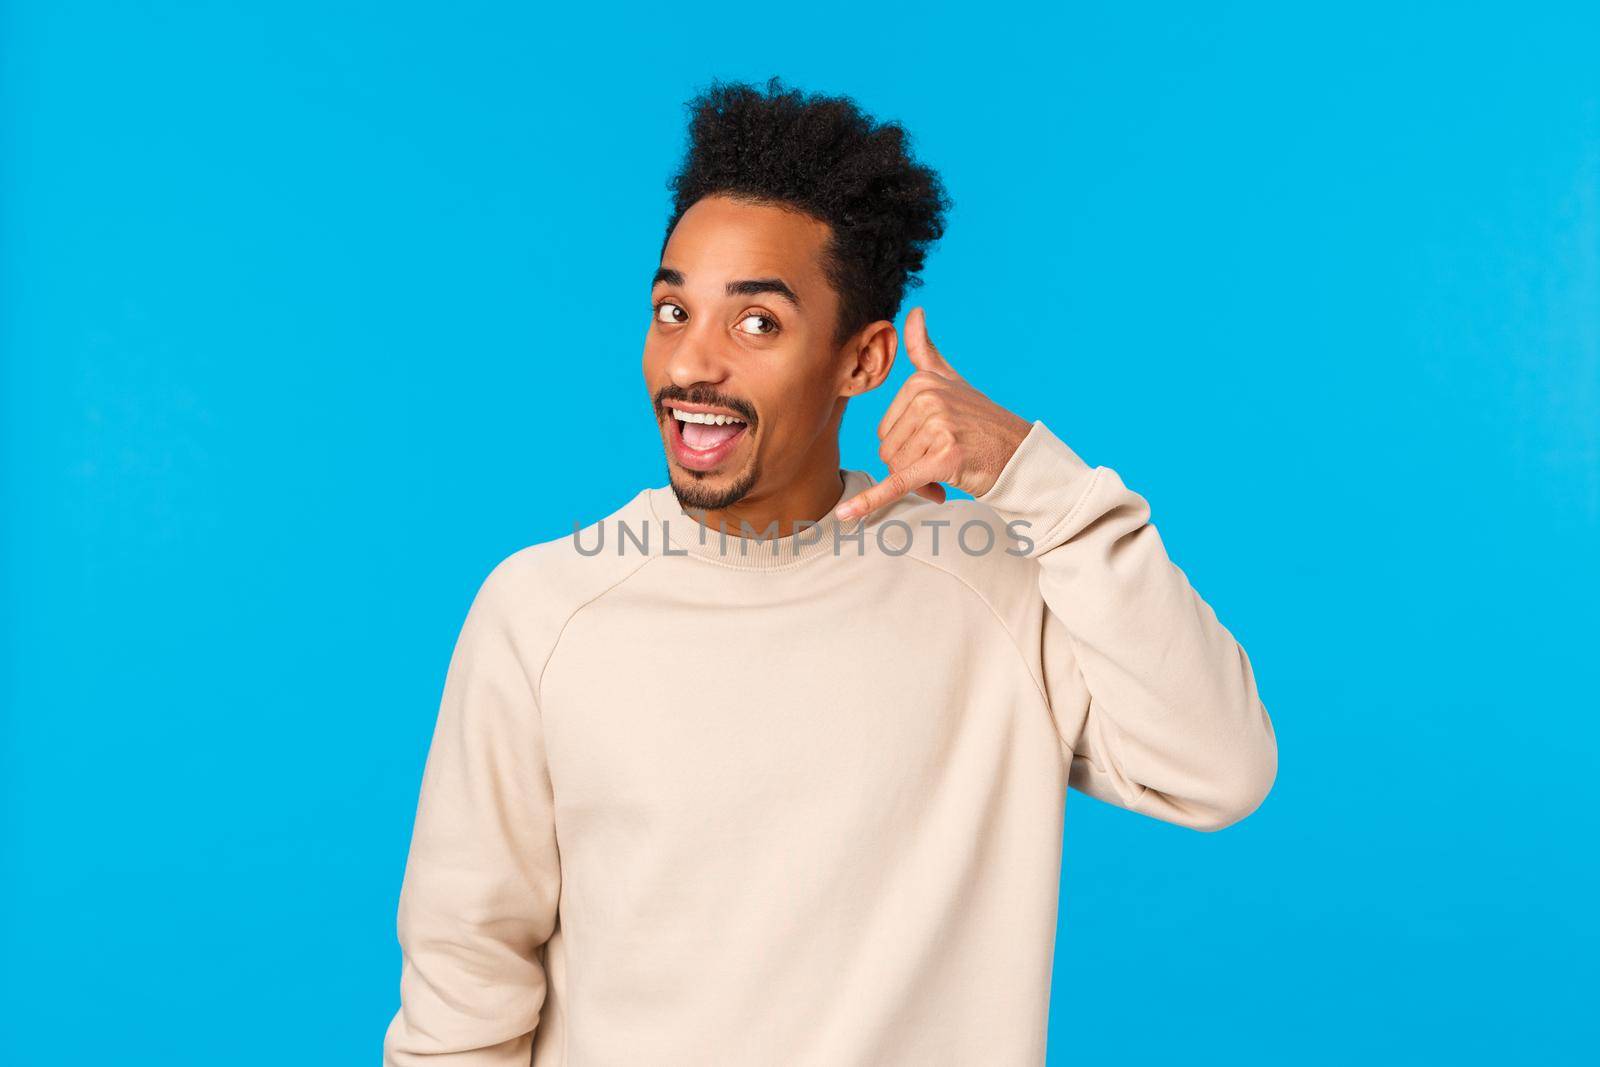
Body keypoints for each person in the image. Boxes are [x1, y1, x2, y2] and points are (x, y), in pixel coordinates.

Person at [382, 76, 1277, 1066]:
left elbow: (1219, 770)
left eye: (756, 323)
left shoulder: (990, 584)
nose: (692, 364)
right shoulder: (544, 605)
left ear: (862, 361)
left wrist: (1040, 482)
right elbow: (464, 979)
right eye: (672, 309)